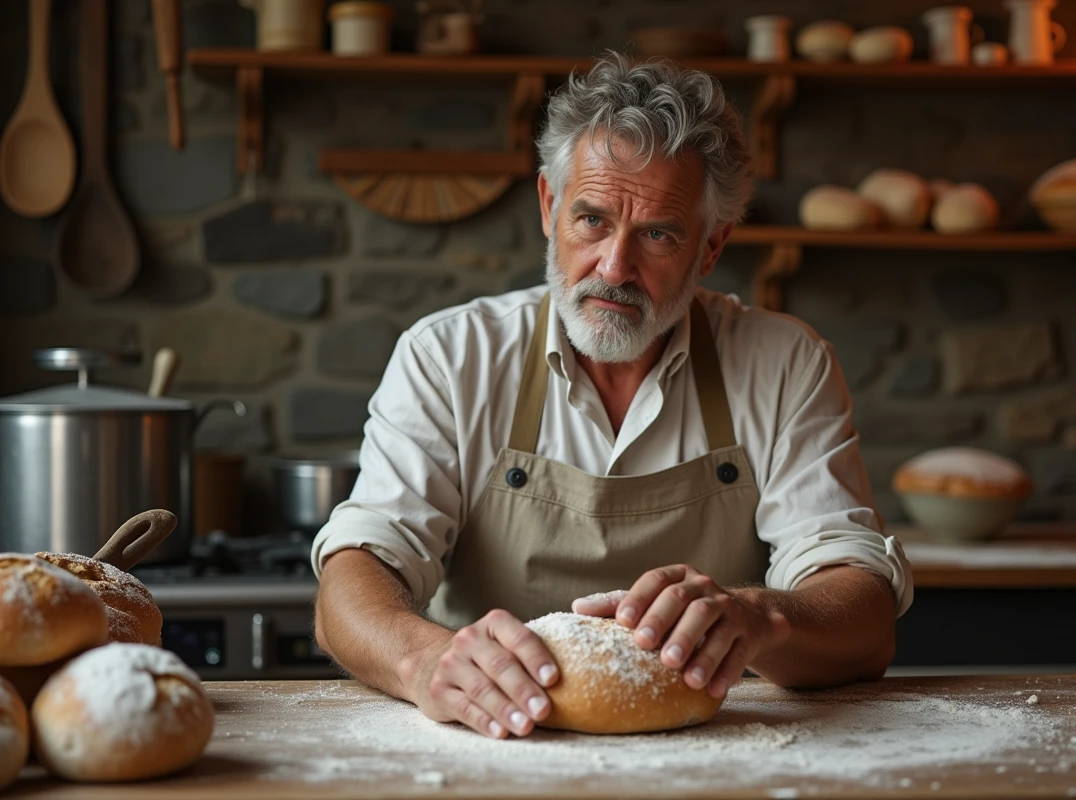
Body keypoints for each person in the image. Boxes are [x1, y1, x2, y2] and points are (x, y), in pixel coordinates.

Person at [311, 53, 913, 741]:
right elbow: (358, 574)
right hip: (492, 745)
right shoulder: (450, 358)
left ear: (710, 247)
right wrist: (424, 662)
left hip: (721, 752)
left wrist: (762, 617)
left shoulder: (785, 363)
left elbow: (863, 616)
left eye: (657, 234)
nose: (615, 268)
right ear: (549, 206)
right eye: (592, 220)